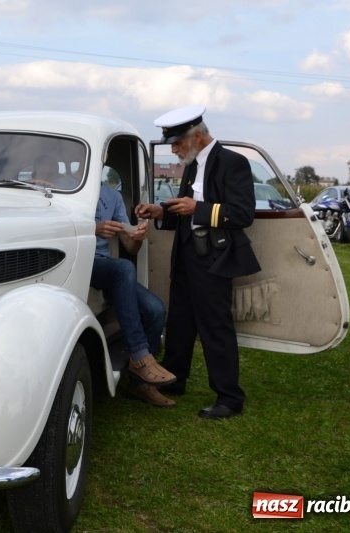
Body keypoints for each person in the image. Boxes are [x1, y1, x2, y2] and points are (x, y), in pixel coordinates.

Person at [136, 105, 261, 419]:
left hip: (214, 256)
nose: (175, 150)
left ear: (197, 136)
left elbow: (243, 213)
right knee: (180, 320)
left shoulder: (234, 163)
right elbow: (188, 209)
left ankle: (229, 397)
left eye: (178, 143)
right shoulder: (191, 165)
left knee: (215, 326)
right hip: (188, 252)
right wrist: (162, 211)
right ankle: (175, 379)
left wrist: (200, 208)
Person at [91, 167, 177, 406]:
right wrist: (93, 229)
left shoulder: (112, 196)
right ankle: (140, 357)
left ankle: (141, 385)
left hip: (103, 265)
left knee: (156, 309)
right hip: (74, 261)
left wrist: (137, 237)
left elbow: (130, 248)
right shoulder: (65, 192)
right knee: (124, 269)